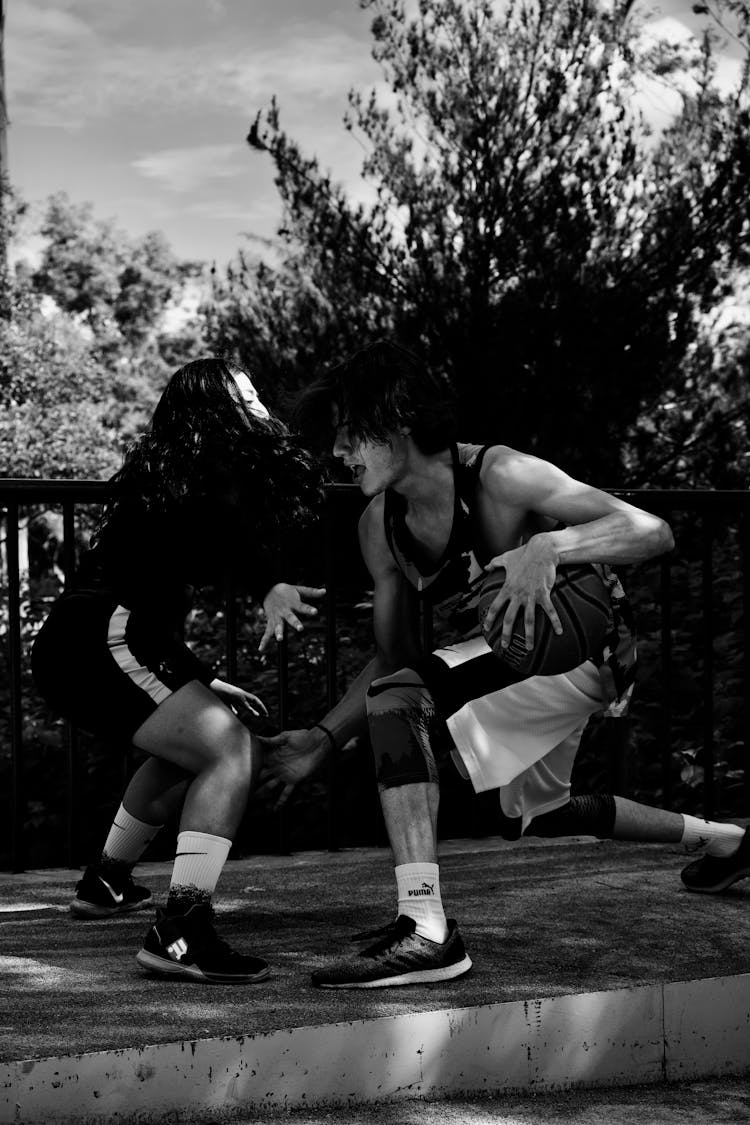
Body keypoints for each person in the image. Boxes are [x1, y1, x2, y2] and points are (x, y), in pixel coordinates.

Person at [263, 339, 750, 990]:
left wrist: (550, 544)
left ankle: (426, 929)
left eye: (351, 433)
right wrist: (326, 737)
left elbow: (651, 530)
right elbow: (394, 654)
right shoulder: (378, 526)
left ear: (397, 419)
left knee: (400, 700)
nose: (338, 453)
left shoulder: (499, 475)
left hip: (583, 642)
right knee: (536, 813)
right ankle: (727, 841)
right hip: (512, 654)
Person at [32, 357, 325, 985]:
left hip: (100, 640)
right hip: (101, 640)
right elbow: (213, 551)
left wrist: (202, 679)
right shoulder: (195, 476)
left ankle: (106, 882)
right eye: (243, 396)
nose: (258, 404)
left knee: (200, 744)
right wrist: (267, 583)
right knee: (230, 750)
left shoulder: (175, 472)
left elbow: (151, 605)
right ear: (214, 411)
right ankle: (181, 931)